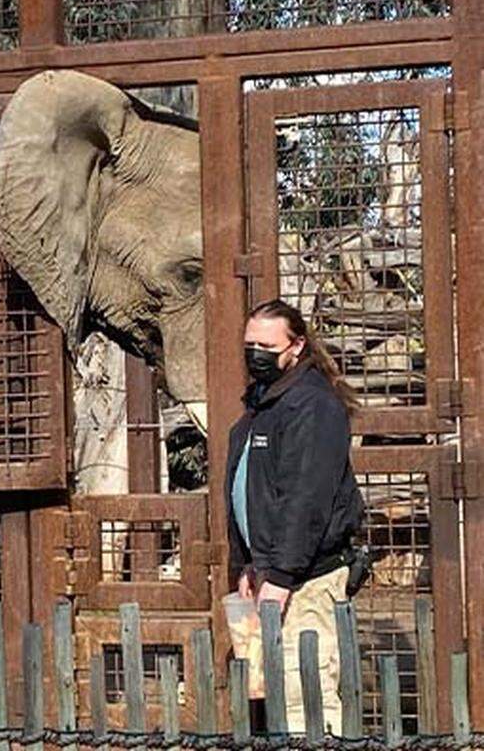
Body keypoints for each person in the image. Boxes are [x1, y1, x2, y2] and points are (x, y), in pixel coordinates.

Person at [226, 298, 364, 734]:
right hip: (271, 573)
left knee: (308, 695)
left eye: (267, 347)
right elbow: (256, 491)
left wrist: (282, 574)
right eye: (250, 346)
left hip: (307, 580)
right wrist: (249, 563)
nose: (256, 355)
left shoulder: (312, 406)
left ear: (297, 346)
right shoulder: (263, 404)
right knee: (276, 697)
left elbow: (306, 499)